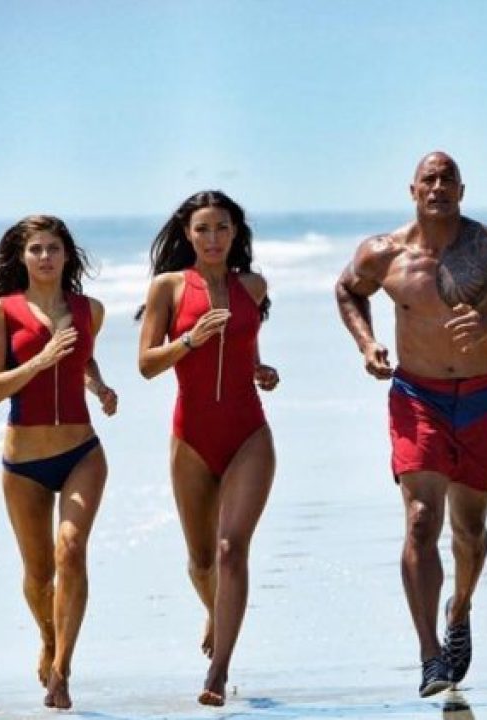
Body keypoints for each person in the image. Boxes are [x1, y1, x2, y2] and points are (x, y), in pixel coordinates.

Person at [334, 151, 487, 697]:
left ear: (462, 190)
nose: (437, 187)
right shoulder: (382, 253)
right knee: (419, 521)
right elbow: (347, 290)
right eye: (428, 179)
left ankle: (460, 609)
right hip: (417, 397)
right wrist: (367, 343)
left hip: (478, 399)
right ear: (412, 189)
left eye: (447, 179)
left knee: (471, 533)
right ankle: (430, 655)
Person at [136, 190, 279, 706]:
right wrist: (190, 340)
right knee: (201, 561)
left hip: (249, 435)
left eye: (222, 228)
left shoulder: (253, 286)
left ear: (235, 232)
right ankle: (214, 614)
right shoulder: (168, 288)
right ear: (187, 234)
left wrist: (261, 369)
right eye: (202, 229)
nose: (213, 238)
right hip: (192, 439)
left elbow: (245, 345)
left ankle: (218, 672)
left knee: (230, 549)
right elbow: (146, 364)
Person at [0, 215, 118, 709]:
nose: (45, 257)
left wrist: (99, 386)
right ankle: (48, 637)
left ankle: (62, 671)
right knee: (37, 574)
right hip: (24, 463)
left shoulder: (89, 309)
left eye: (53, 248)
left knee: (71, 550)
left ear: (67, 254)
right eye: (35, 249)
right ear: (22, 256)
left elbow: (83, 357)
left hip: (82, 452)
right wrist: (41, 359)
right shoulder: (1, 311)